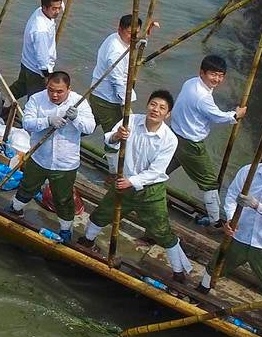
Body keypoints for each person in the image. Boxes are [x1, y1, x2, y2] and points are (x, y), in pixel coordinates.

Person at [82, 90, 193, 282]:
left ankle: (178, 272)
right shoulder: (130, 121)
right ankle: (86, 241)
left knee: (161, 230)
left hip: (150, 190)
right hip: (123, 182)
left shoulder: (169, 139)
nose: (156, 110)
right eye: (153, 104)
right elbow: (109, 142)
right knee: (102, 213)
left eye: (162, 108)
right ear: (147, 105)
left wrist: (131, 182)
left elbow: (156, 171)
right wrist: (117, 136)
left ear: (167, 115)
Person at [199, 138, 262, 325]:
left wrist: (256, 205)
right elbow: (231, 195)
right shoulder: (248, 172)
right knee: (217, 264)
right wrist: (231, 218)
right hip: (240, 233)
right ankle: (200, 292)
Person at [13, 70, 96, 235]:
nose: (55, 95)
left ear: (68, 89)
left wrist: (76, 118)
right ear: (47, 86)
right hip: (39, 157)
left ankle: (66, 230)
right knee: (27, 187)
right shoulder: (37, 99)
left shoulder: (79, 102)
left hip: (65, 163)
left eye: (59, 91)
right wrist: (47, 121)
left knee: (63, 199)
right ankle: (16, 210)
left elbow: (90, 127)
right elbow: (27, 123)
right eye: (51, 90)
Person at [167, 55, 247, 225]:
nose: (217, 79)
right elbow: (218, 117)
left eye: (220, 75)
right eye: (213, 74)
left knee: (162, 168)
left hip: (175, 135)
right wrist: (236, 114)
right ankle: (215, 222)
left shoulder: (190, 82)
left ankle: (138, 188)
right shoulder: (203, 97)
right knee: (210, 183)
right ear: (202, 73)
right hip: (190, 144)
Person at [88, 14, 151, 136]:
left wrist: (140, 40)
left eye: (136, 33)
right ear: (120, 30)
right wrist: (127, 105)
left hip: (97, 93)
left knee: (88, 125)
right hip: (106, 99)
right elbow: (117, 81)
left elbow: (132, 42)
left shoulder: (116, 38)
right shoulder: (116, 52)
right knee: (115, 134)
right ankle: (111, 154)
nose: (134, 37)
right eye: (130, 33)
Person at [15, 0, 68, 99]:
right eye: (54, 9)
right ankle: (27, 115)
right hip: (37, 71)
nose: (57, 11)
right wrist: (47, 76)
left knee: (21, 87)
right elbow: (42, 55)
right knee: (37, 98)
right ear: (45, 7)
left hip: (26, 63)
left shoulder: (41, 11)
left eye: (58, 8)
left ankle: (3, 102)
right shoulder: (41, 29)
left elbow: (57, 4)